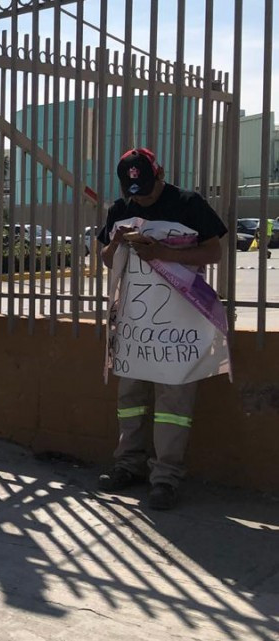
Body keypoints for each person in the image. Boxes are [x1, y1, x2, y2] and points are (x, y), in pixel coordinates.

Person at [96, 148, 227, 510]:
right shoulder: (121, 209)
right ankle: (128, 464)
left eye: (146, 189)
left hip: (178, 326)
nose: (140, 197)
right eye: (133, 191)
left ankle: (165, 478)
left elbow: (214, 252)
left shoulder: (188, 203)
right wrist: (117, 241)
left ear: (161, 173)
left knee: (174, 404)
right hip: (135, 326)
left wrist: (165, 254)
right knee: (130, 399)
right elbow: (106, 259)